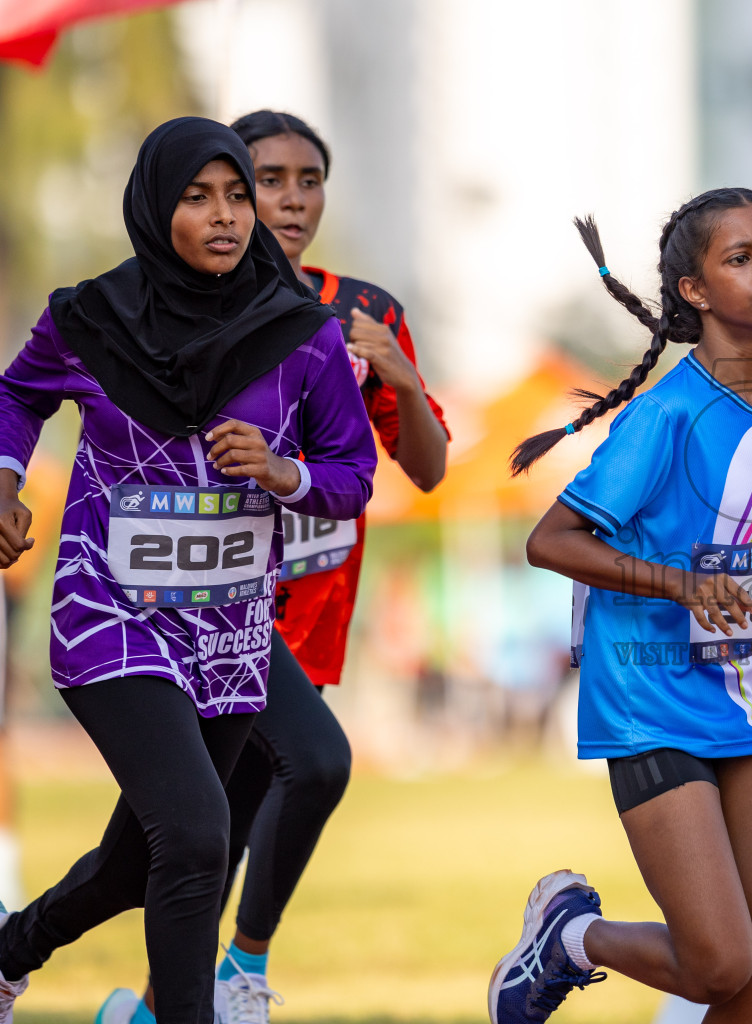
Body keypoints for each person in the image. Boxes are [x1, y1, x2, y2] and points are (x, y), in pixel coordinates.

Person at [490, 188, 752, 1024]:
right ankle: (572, 938)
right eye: (740, 258)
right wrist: (679, 584)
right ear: (695, 291)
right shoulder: (665, 416)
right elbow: (550, 541)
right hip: (650, 699)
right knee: (719, 962)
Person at [0, 117, 376, 1024]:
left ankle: (10, 949)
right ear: (152, 206)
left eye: (237, 196)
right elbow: (16, 394)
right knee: (200, 838)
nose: (226, 218)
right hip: (111, 617)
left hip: (233, 635)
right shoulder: (88, 318)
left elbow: (352, 474)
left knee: (145, 861)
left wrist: (287, 473)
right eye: (197, 197)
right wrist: (5, 478)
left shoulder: (304, 337)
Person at [95, 110, 450, 1024]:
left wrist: (400, 379)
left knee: (174, 852)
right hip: (203, 621)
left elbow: (425, 466)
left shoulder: (368, 312)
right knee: (309, 771)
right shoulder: (181, 302)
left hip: (307, 623)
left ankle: (120, 996)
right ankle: (237, 972)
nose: (290, 200)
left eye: (308, 179)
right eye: (267, 180)